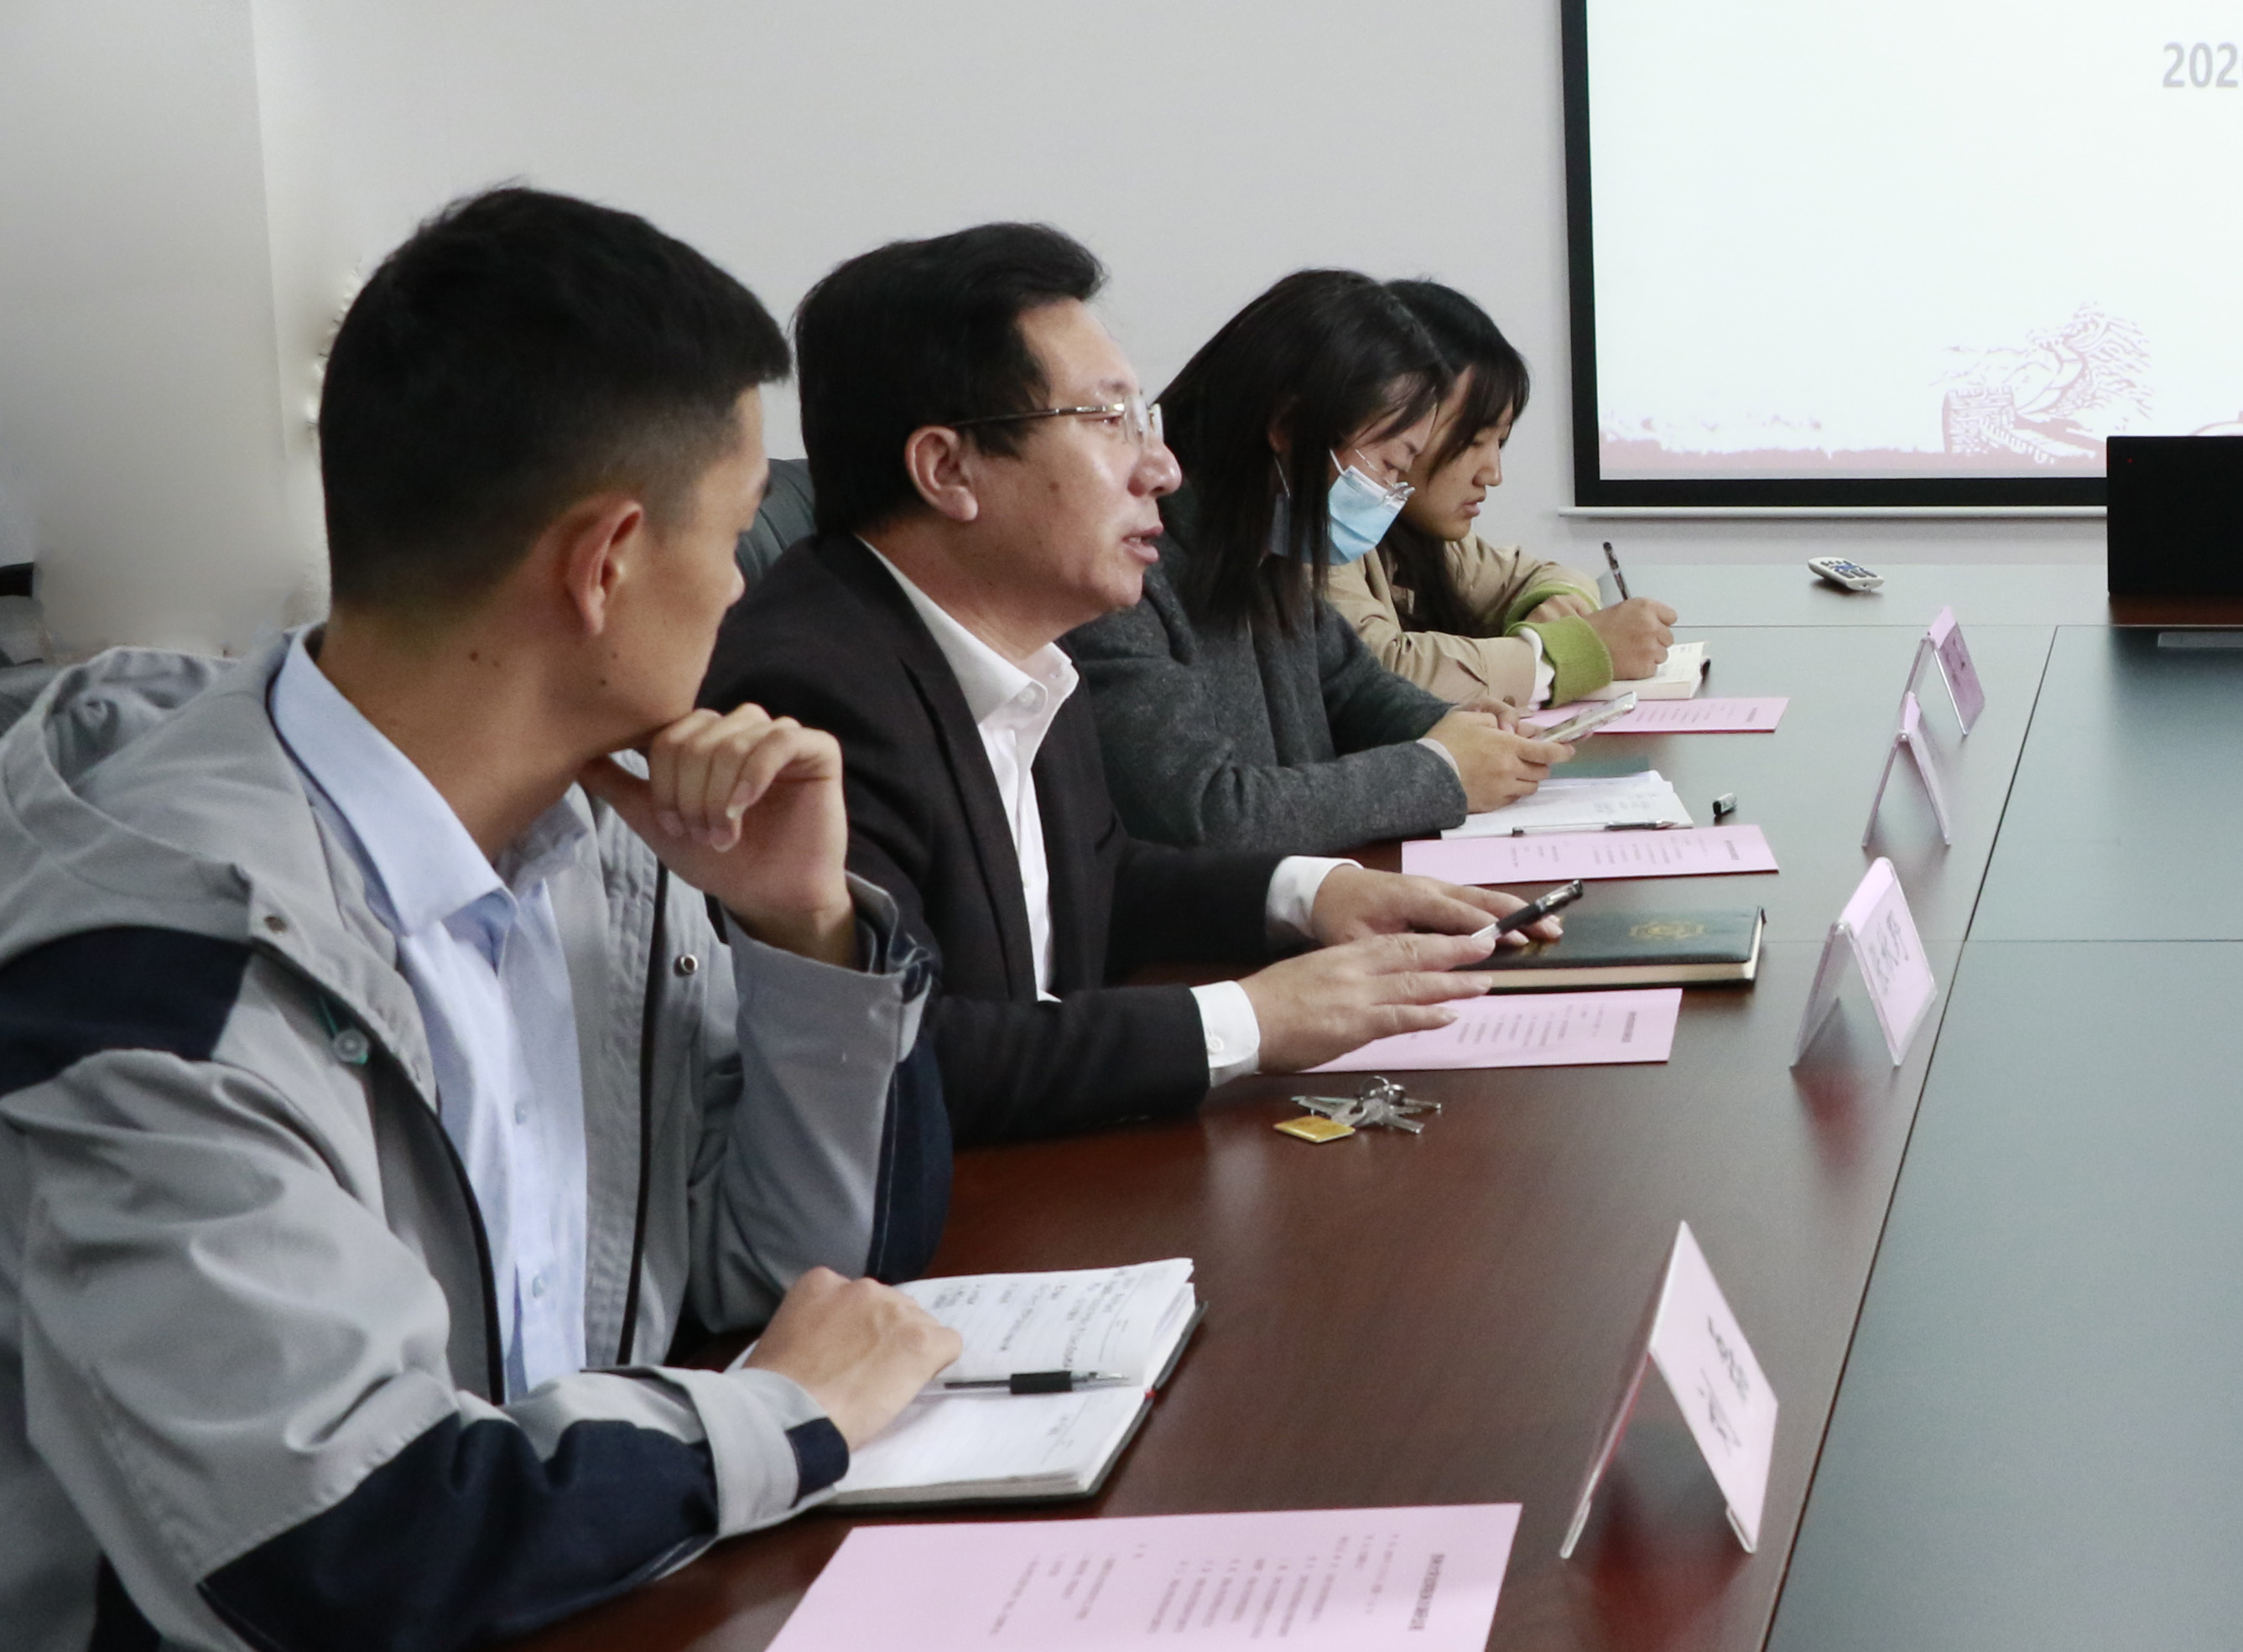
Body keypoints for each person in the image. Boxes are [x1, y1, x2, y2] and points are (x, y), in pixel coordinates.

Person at [0, 189, 963, 1652]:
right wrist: (779, 1418)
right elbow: (335, 1546)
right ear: (605, 561)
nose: (747, 586)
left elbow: (808, 1274)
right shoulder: (165, 936)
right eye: (735, 533)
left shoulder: (596, 842)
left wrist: (800, 932)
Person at [707, 229, 1552, 1145]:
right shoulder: (813, 691)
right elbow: (912, 1050)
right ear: (948, 469)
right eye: (1108, 422)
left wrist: (1317, 894)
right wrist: (1251, 1020)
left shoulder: (1025, 643)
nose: (1162, 467)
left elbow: (1101, 878)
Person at [1067, 270, 1564, 851]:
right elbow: (1208, 811)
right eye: (1389, 466)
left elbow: (1352, 687)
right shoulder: (1126, 580)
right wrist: (1444, 770)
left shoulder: (1265, 553)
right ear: (1289, 427)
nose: (1389, 494)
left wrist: (1456, 728)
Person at [1324, 280, 1678, 714]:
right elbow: (1381, 673)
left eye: (1500, 441)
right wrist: (1565, 653)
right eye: (1472, 441)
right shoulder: (1322, 530)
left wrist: (1559, 607)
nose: (1493, 474)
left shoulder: (1421, 536)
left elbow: (1532, 575)